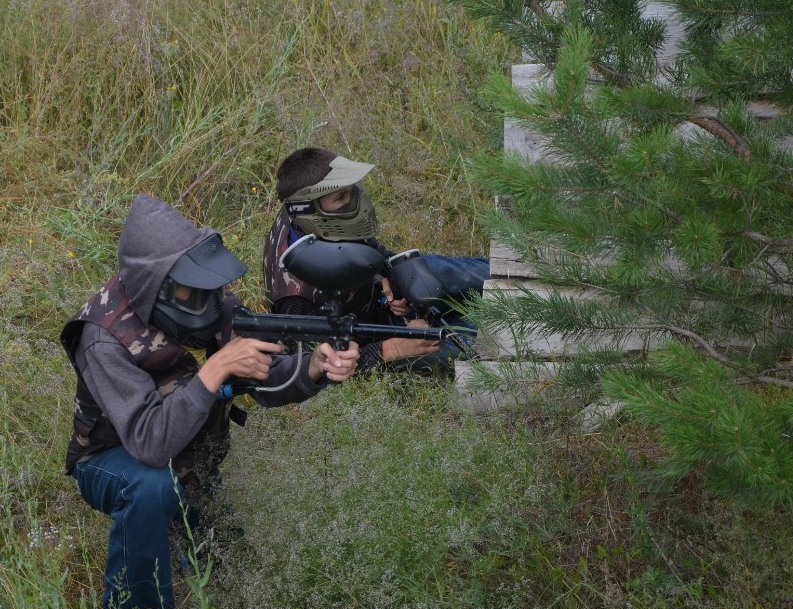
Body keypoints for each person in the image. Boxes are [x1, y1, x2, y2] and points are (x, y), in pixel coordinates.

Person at [62, 193, 360, 609]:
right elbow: (149, 444)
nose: (210, 295)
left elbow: (262, 376)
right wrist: (215, 369)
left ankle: (182, 523)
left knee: (236, 580)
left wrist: (313, 366)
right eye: (194, 286)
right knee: (151, 488)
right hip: (113, 459)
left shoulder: (209, 303)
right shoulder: (102, 337)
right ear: (160, 286)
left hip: (192, 459)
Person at [261, 147, 490, 373]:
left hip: (380, 303)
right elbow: (315, 367)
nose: (353, 201)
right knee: (471, 345)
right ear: (307, 209)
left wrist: (388, 275)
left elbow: (367, 243)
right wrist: (392, 348)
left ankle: (508, 284)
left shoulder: (310, 216)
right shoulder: (295, 299)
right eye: (340, 197)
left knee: (453, 273)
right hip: (376, 339)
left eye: (350, 191)